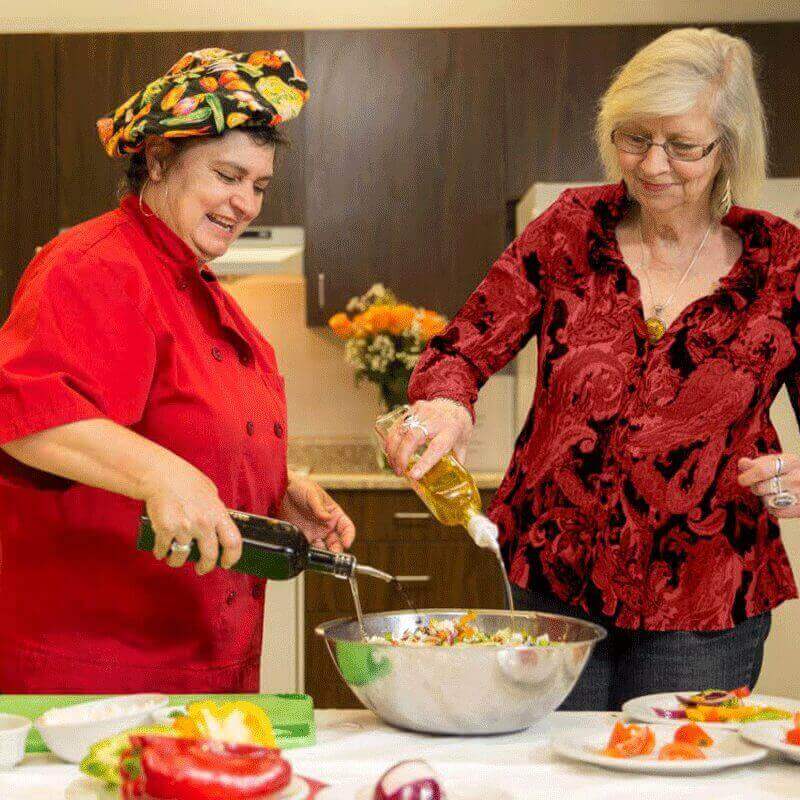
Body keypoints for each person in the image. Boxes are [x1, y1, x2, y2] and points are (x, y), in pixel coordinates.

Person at [384, 27, 800, 710]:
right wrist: (447, 404)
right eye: (634, 138)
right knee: (549, 772)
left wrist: (792, 484)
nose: (653, 165)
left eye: (683, 145)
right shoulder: (570, 229)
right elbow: (462, 347)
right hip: (553, 581)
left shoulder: (782, 264)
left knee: (672, 777)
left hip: (705, 601)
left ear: (730, 147)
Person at [0, 47, 355, 692]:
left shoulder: (198, 286)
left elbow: (176, 427)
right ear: (159, 160)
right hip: (96, 672)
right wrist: (167, 474)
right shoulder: (98, 264)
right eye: (227, 175)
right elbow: (25, 413)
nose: (246, 203)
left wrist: (276, 486)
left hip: (189, 658)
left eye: (259, 186)